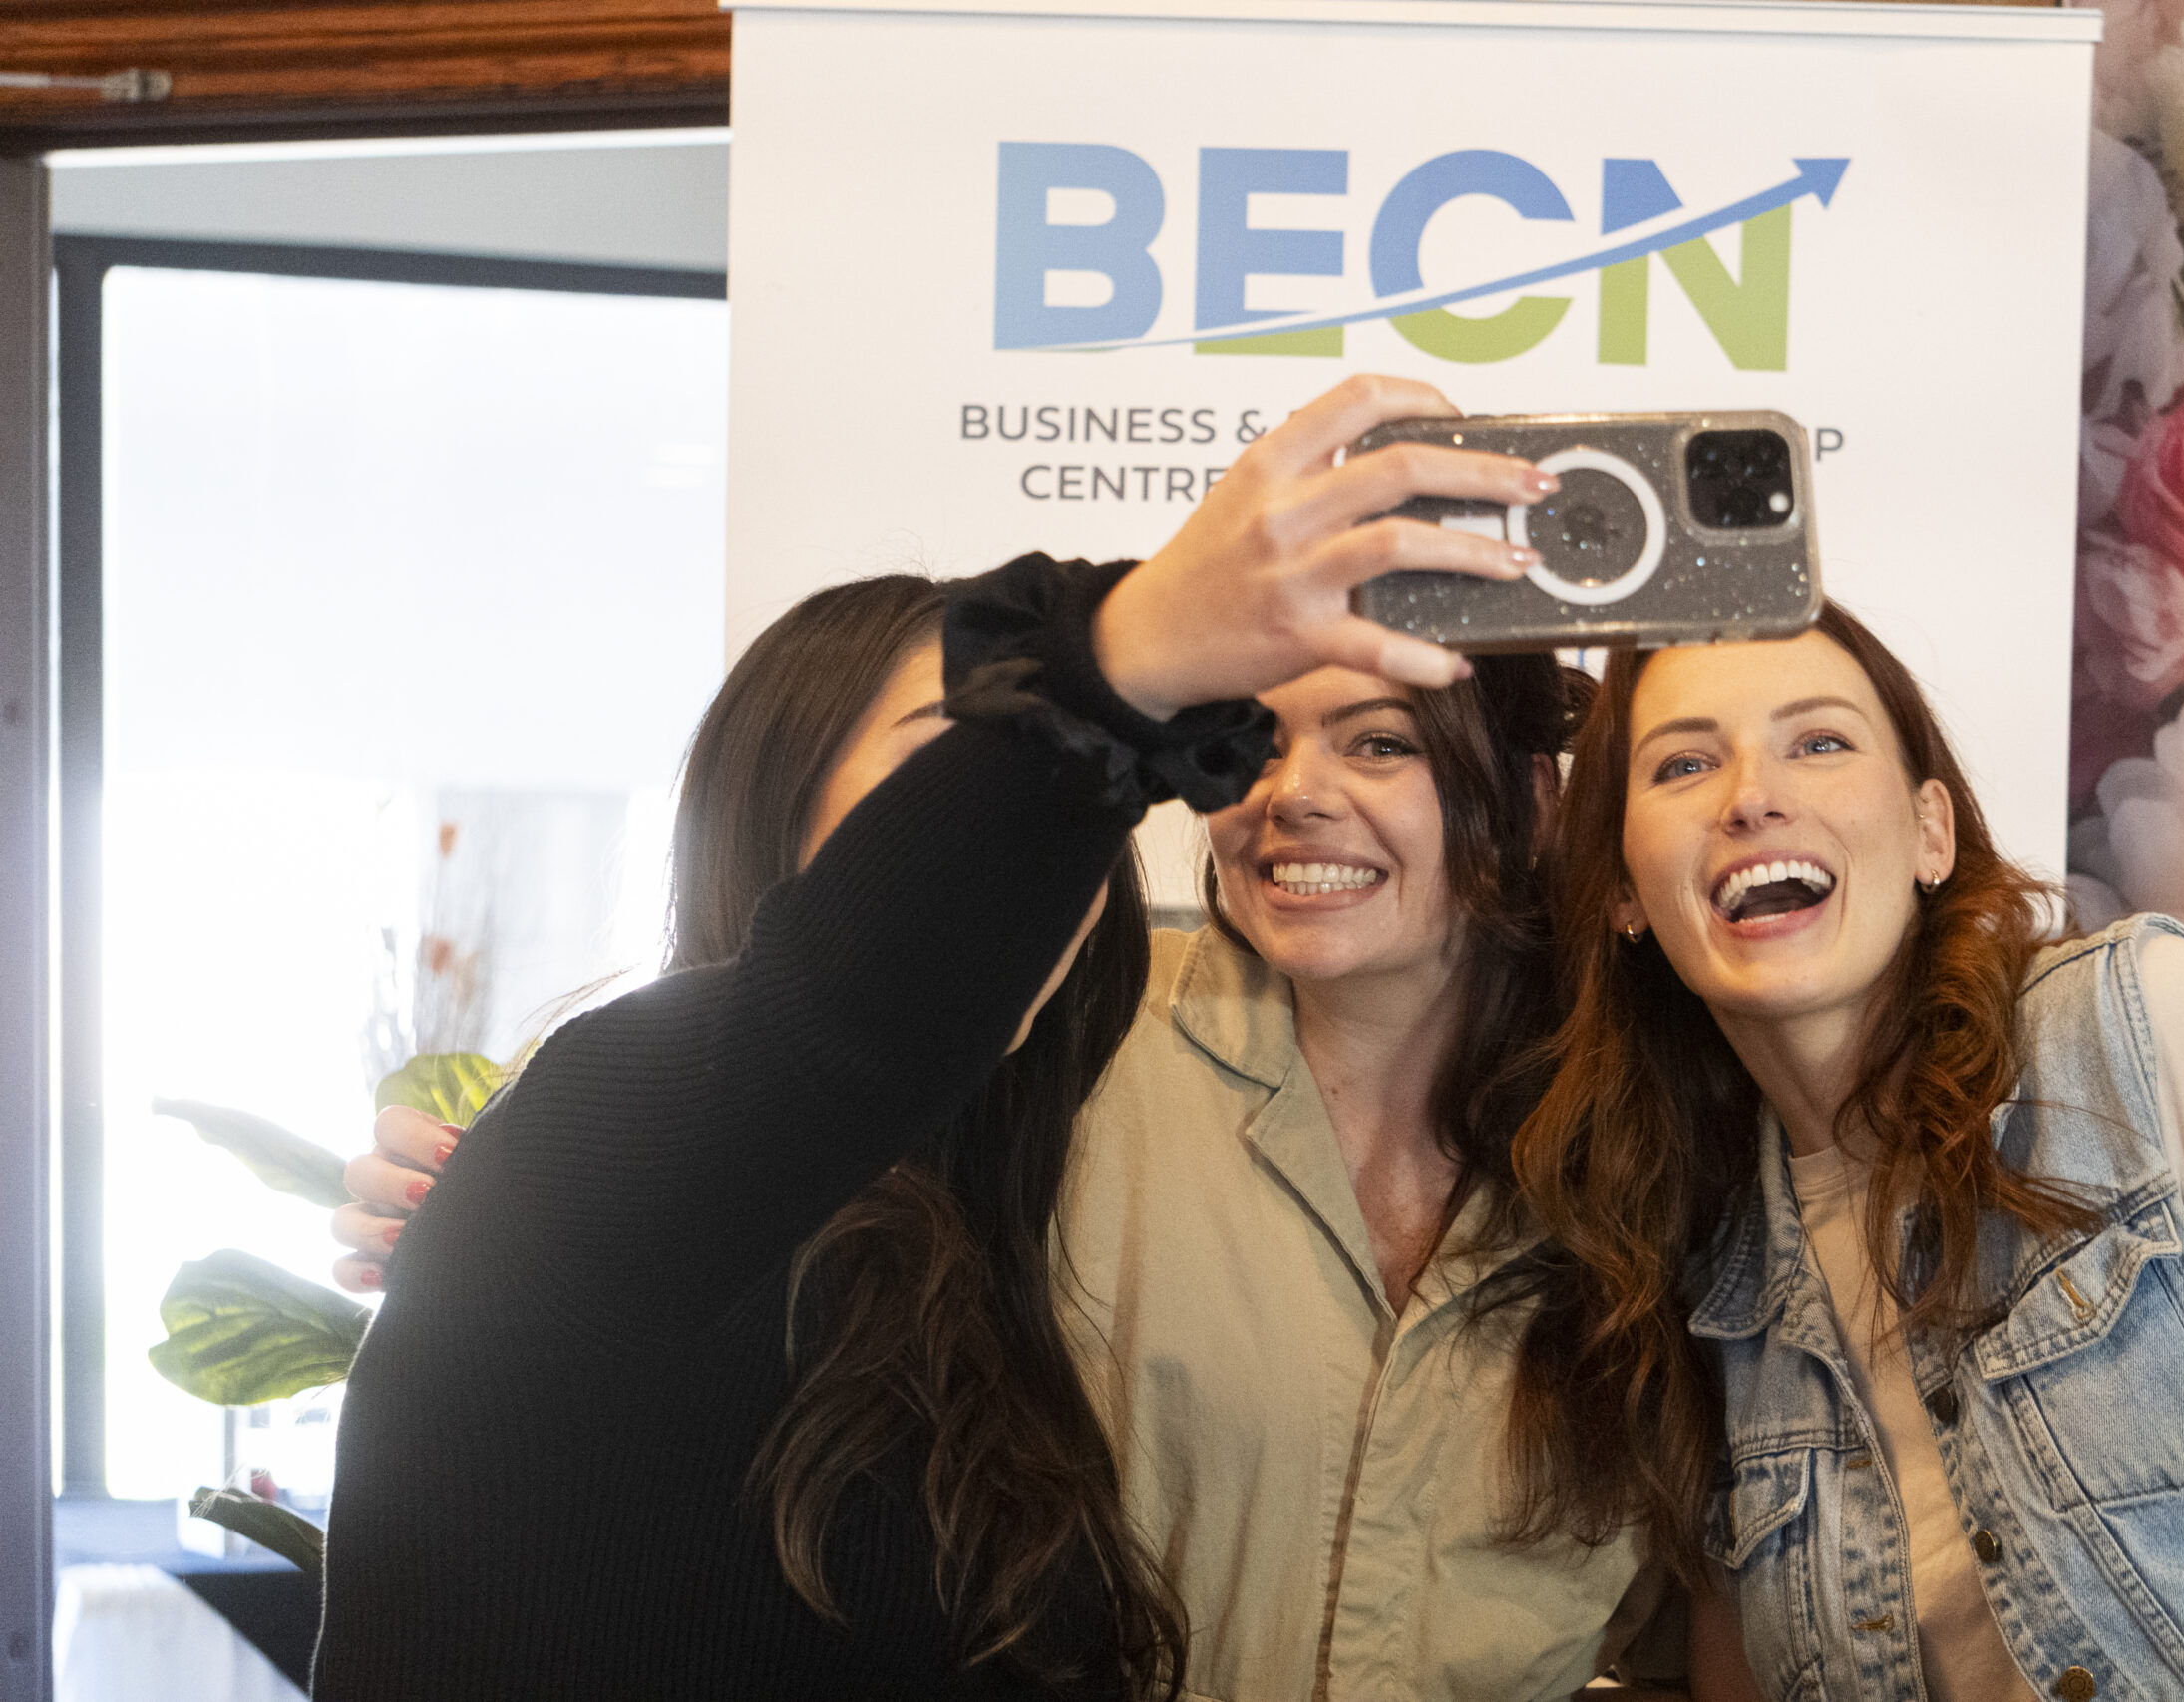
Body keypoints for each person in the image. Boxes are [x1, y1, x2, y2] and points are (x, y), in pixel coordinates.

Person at [311, 374, 1558, 1700]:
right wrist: (1121, 661)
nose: (1012, 840)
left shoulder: (982, 1238)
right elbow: (850, 1006)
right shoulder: (613, 1117)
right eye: (944, 770)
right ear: (777, 812)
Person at [1499, 603, 2184, 1700]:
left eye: (1818, 741)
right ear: (1622, 889)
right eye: (1682, 765)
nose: (1752, 795)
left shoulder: (2146, 1024)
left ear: (1929, 835)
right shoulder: (1704, 1279)